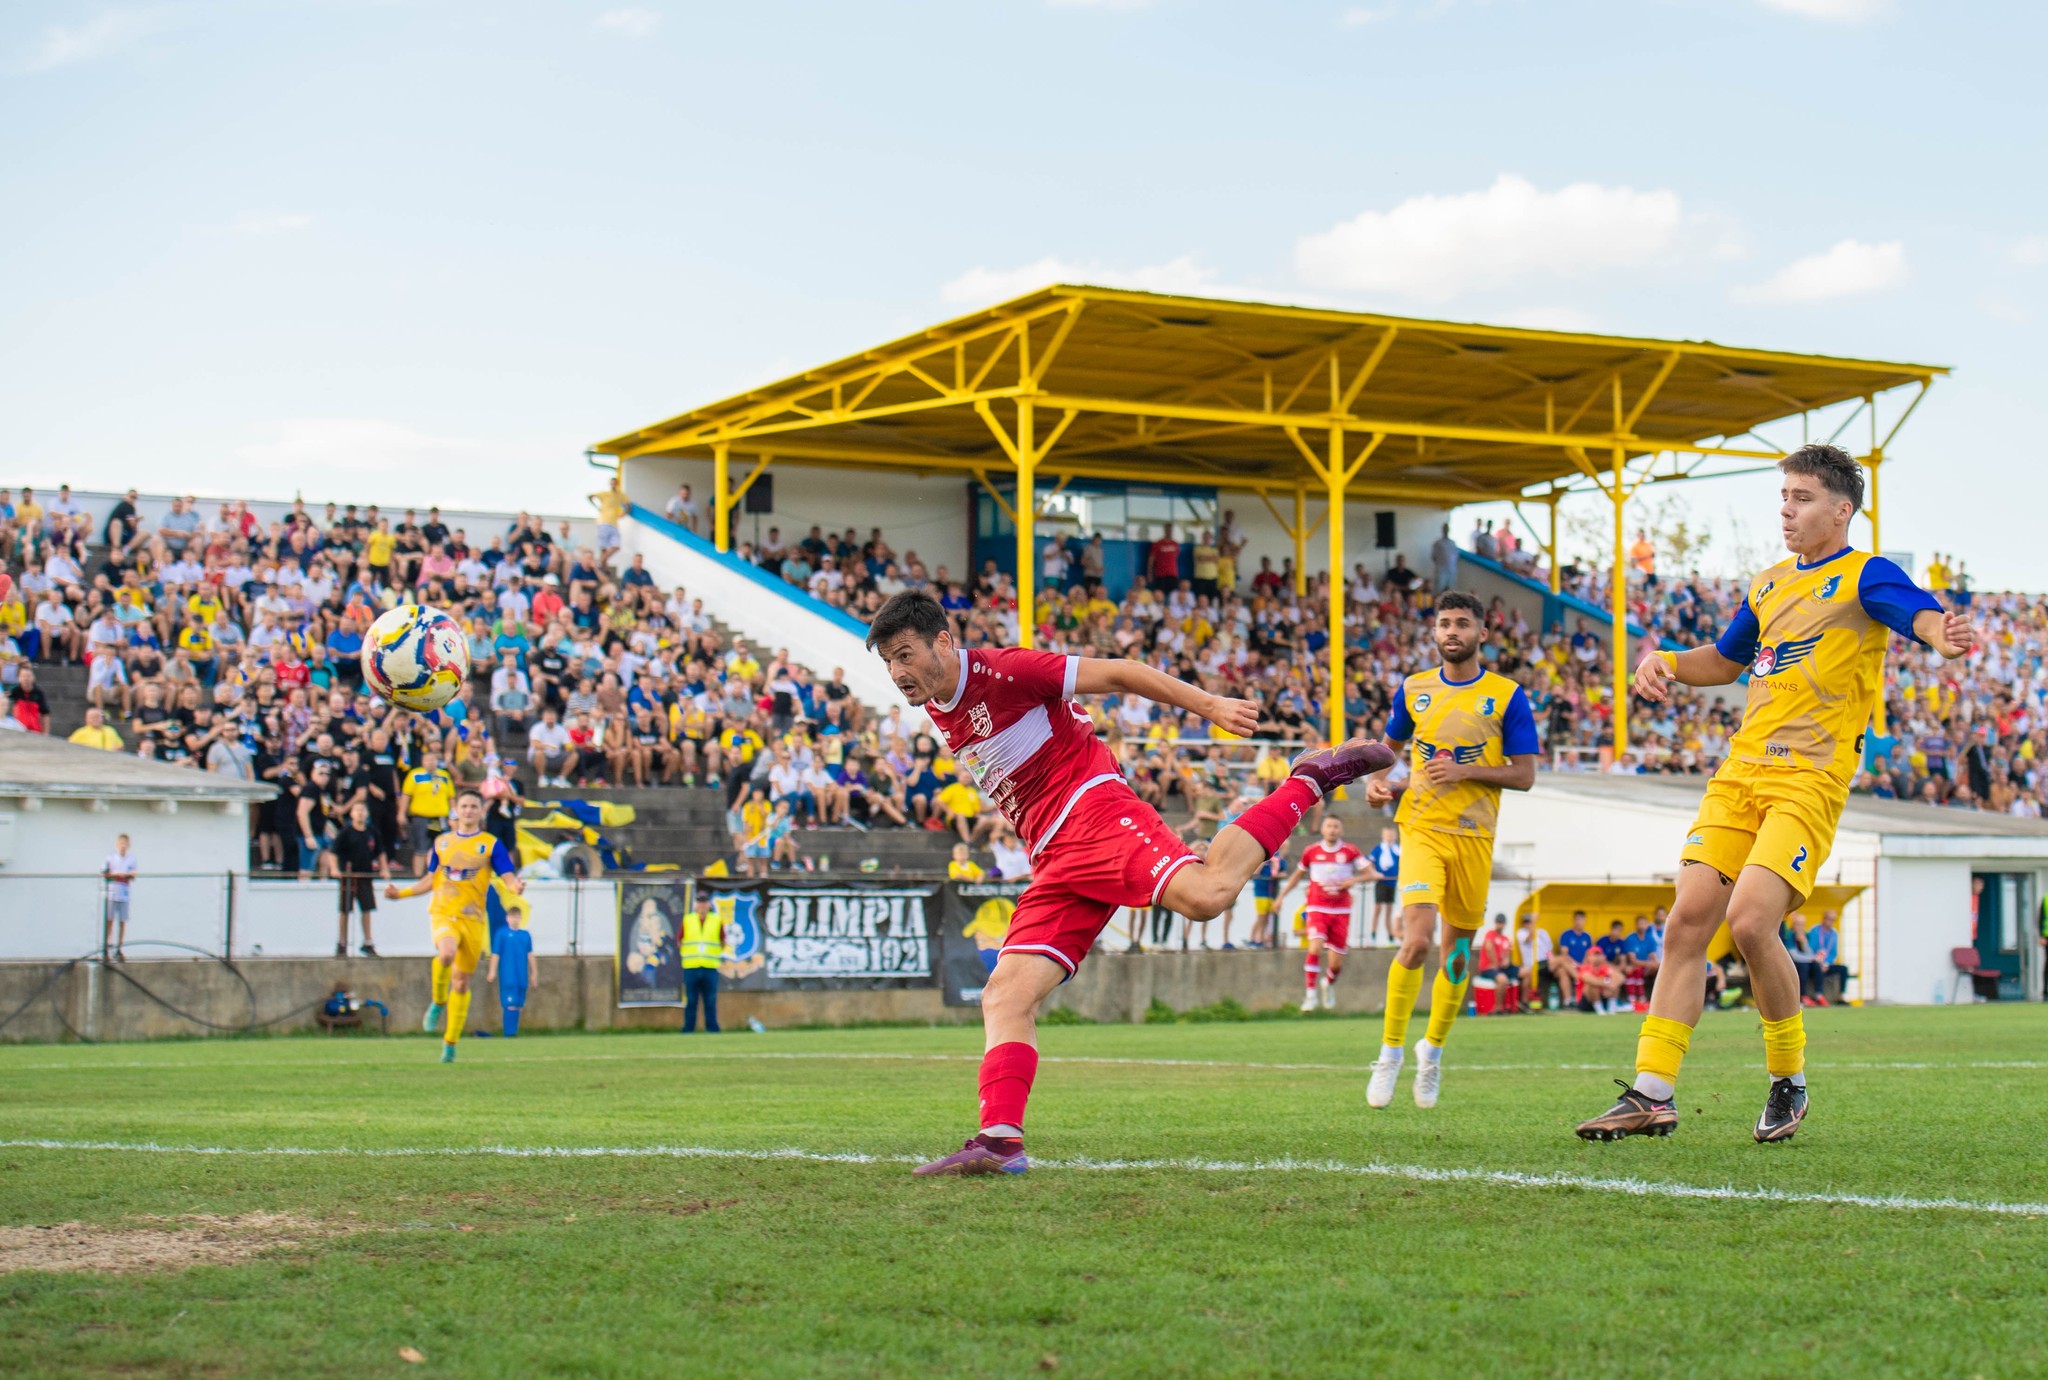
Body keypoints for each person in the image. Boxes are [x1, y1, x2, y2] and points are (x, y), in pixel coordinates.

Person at [865, 590, 1391, 1175]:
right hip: (1053, 853)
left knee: (1207, 895)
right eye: (888, 661)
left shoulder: (1006, 670)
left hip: (1092, 813)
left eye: (905, 655)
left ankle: (1310, 779)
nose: (897, 673)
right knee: (1006, 994)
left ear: (944, 642)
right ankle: (999, 1140)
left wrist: (1211, 705)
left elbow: (1122, 671)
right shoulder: (940, 701)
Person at [1578, 444, 1974, 1144]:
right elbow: (1727, 660)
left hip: (1808, 780)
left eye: (1802, 498)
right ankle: (1651, 1092)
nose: (1787, 510)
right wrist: (1664, 660)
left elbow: (1917, 613)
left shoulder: (1863, 575)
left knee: (1753, 923)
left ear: (1840, 509)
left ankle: (1786, 1080)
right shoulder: (1766, 585)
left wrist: (1943, 634)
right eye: (1784, 497)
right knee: (1688, 920)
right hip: (1740, 775)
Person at [1360, 590, 1540, 1110]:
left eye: (1462, 623)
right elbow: (1385, 755)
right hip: (1420, 829)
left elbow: (1525, 775)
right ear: (1434, 634)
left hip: (1475, 838)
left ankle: (1432, 1050)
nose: (1452, 632)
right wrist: (1378, 784)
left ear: (1482, 633)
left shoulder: (1507, 696)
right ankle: (1389, 1052)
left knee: (1458, 953)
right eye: (1444, 624)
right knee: (1415, 942)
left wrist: (1466, 770)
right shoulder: (1413, 690)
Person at [383, 788, 524, 1063]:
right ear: (456, 810)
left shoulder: (490, 844)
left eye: (474, 806)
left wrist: (515, 886)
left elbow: (507, 875)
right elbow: (430, 880)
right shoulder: (441, 843)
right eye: (465, 805)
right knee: (445, 953)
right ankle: (437, 1001)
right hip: (444, 913)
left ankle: (450, 1043)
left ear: (481, 811)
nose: (469, 810)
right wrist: (401, 894)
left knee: (461, 982)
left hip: (472, 920)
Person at [1279, 816, 1363, 1011]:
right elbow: (1297, 876)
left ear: (1340, 830)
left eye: (1336, 826)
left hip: (1341, 910)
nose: (1332, 829)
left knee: (1336, 964)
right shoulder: (1311, 851)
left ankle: (1328, 984)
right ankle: (1310, 996)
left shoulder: (1350, 851)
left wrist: (1355, 880)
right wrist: (1281, 896)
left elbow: (1373, 873)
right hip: (1317, 906)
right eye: (1329, 826)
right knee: (1315, 946)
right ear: (1323, 830)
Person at [330, 799, 387, 958]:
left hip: (365, 876)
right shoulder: (346, 832)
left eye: (363, 810)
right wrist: (335, 869)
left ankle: (368, 942)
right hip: (348, 877)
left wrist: (384, 869)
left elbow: (380, 851)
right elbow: (333, 852)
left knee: (367, 909)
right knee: (345, 911)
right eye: (357, 810)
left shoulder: (372, 832)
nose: (360, 813)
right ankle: (342, 942)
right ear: (352, 813)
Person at [679, 891, 729, 1034]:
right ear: (696, 904)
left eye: (704, 902)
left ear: (709, 904)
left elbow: (723, 940)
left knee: (710, 1000)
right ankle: (688, 1029)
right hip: (691, 966)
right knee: (691, 1000)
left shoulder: (716, 920)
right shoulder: (688, 919)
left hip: (710, 966)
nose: (702, 905)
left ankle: (712, 1028)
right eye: (699, 902)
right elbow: (679, 939)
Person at [487, 902, 536, 1037]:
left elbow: (530, 955)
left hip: (522, 975)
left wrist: (534, 973)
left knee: (519, 1004)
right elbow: (495, 953)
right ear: (507, 918)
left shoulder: (525, 935)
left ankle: (513, 1031)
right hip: (508, 975)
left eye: (517, 917)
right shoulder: (501, 934)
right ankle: (509, 1033)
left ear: (520, 918)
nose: (514, 919)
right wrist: (492, 971)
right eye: (512, 917)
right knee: (510, 1004)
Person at [102, 834, 137, 961]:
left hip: (124, 893)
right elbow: (104, 873)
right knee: (109, 920)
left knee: (122, 921)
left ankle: (119, 948)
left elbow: (133, 875)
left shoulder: (131, 859)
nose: (123, 846)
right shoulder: (110, 858)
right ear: (117, 844)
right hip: (112, 892)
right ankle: (106, 947)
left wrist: (127, 875)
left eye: (125, 843)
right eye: (121, 843)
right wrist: (118, 874)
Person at [1475, 914, 1519, 1013]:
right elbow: (1489, 947)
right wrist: (1495, 963)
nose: (1500, 925)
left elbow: (1507, 953)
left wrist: (1506, 960)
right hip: (1488, 968)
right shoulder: (1490, 934)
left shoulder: (1505, 939)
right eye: (1498, 922)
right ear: (1495, 923)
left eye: (1502, 923)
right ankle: (1498, 1008)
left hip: (1501, 968)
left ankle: (1523, 1004)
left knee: (1525, 973)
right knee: (1502, 979)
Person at [1367, 826, 1400, 948]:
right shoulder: (1379, 849)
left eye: (1391, 835)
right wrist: (1375, 873)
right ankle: (1372, 935)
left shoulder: (1398, 850)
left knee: (1389, 911)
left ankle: (1390, 937)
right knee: (1377, 909)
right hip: (1381, 882)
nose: (1390, 837)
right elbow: (1369, 863)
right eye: (1387, 835)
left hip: (1392, 882)